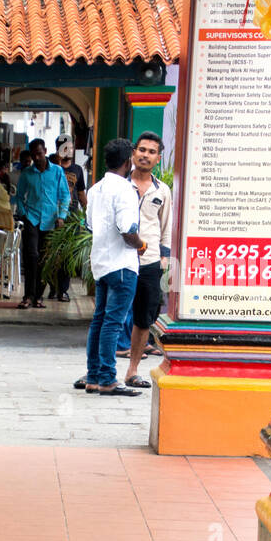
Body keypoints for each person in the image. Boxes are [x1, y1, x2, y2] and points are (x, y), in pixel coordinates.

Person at [80, 138, 145, 396]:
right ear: (128, 161)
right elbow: (127, 229)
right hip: (122, 264)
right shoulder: (125, 190)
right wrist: (140, 245)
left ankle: (93, 376)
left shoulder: (95, 189)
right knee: (113, 323)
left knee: (99, 321)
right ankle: (107, 378)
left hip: (101, 263)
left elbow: (89, 225)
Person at [122, 132, 172, 389]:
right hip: (120, 260)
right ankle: (100, 369)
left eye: (151, 152)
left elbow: (166, 226)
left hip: (150, 261)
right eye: (142, 150)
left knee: (144, 317)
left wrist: (164, 257)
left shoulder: (162, 190)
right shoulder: (120, 185)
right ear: (133, 153)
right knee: (110, 315)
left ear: (158, 158)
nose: (145, 155)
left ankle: (132, 370)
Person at [14, 138, 69, 309]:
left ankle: (38, 296)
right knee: (31, 256)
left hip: (51, 221)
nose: (37, 158)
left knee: (44, 260)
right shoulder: (27, 174)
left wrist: (61, 216)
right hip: (32, 219)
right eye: (33, 155)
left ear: (45, 150)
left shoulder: (58, 172)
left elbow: (65, 196)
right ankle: (28, 296)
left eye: (39, 153)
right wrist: (23, 213)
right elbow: (19, 196)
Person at [50, 134, 89, 302]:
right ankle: (52, 287)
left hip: (71, 219)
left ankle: (62, 290)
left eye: (72, 147)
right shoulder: (51, 167)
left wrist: (88, 213)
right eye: (67, 147)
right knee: (51, 255)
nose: (71, 151)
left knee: (66, 255)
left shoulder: (77, 170)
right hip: (51, 217)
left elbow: (81, 193)